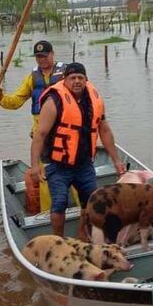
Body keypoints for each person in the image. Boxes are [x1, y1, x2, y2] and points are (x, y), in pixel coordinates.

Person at [29, 62, 125, 237]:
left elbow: (104, 130)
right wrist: (35, 165)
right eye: (72, 78)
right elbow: (40, 134)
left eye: (80, 78)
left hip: (84, 163)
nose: (77, 81)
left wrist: (116, 161)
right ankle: (58, 241)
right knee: (59, 203)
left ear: (86, 80)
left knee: (90, 202)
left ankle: (83, 235)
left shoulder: (95, 99)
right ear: (65, 80)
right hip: (57, 163)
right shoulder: (53, 101)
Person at [0, 40, 65, 135]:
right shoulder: (32, 78)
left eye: (45, 56)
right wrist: (0, 97)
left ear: (52, 54)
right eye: (39, 57)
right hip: (40, 131)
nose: (42, 59)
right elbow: (16, 102)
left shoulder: (66, 74)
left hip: (63, 127)